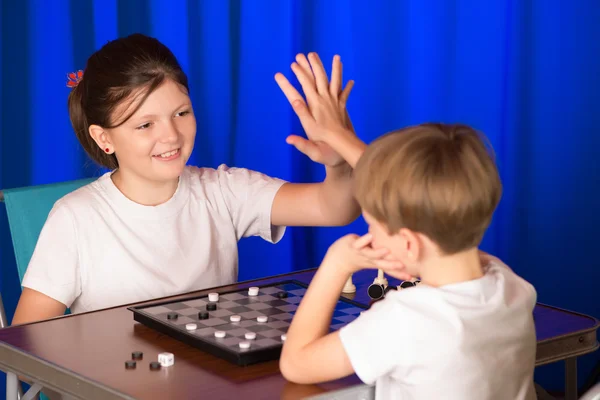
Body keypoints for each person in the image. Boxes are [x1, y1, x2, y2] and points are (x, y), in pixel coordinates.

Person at [11, 34, 361, 325]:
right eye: (145, 124)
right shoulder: (75, 218)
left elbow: (334, 209)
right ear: (104, 138)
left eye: (181, 113)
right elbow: (26, 342)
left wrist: (339, 163)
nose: (171, 136)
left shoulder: (223, 191)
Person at [274, 85, 537, 399]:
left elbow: (297, 364)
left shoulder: (405, 319)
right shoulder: (509, 285)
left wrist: (337, 263)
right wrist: (336, 135)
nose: (369, 233)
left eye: (371, 224)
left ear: (410, 244)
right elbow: (444, 215)